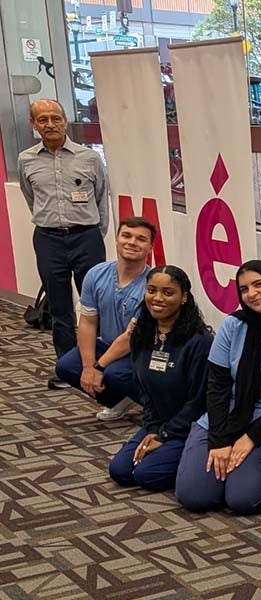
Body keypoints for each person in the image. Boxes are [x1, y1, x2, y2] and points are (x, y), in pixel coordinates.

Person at [174, 260, 261, 515]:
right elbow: (217, 386)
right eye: (244, 289)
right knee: (194, 496)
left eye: (259, 284)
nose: (252, 294)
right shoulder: (233, 326)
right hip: (227, 412)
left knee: (242, 499)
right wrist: (219, 440)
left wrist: (250, 438)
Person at [18, 99, 110, 388]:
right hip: (48, 239)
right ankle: (68, 367)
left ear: (65, 120)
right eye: (42, 119)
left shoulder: (89, 158)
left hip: (86, 236)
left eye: (55, 118)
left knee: (95, 303)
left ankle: (101, 363)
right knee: (59, 308)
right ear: (34, 125)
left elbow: (101, 198)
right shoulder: (26, 160)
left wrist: (95, 232)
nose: (50, 124)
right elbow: (31, 198)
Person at [109, 266, 212, 490]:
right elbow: (144, 390)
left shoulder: (200, 342)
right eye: (152, 290)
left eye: (168, 292)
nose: (157, 298)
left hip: (190, 426)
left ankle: (191, 458)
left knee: (147, 475)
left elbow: (199, 401)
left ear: (184, 297)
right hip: (157, 423)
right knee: (120, 471)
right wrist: (154, 429)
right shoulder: (141, 334)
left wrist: (165, 435)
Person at [55, 216, 155, 420]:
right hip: (110, 346)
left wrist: (97, 367)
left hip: (144, 352)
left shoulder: (152, 284)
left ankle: (159, 413)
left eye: (141, 239)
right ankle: (118, 400)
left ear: (151, 247)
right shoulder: (96, 274)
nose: (132, 242)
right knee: (66, 366)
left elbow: (130, 338)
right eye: (126, 236)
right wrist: (87, 366)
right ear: (116, 239)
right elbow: (88, 322)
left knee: (114, 373)